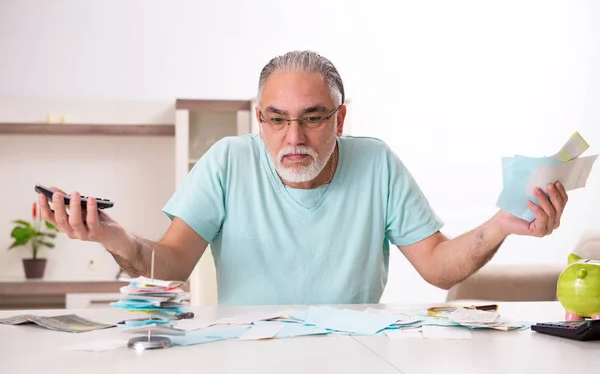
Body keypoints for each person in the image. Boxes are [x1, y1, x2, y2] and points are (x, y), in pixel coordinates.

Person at [39, 50, 569, 306]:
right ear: (259, 119)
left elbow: (438, 268)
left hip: (358, 354)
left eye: (313, 118)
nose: (294, 137)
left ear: (340, 119)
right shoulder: (227, 161)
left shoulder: (377, 163)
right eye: (277, 119)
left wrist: (502, 224)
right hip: (248, 352)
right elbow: (172, 264)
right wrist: (110, 234)